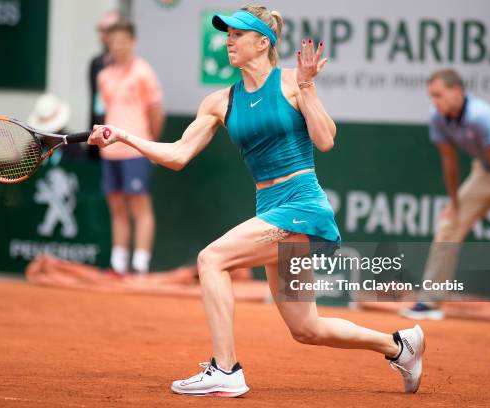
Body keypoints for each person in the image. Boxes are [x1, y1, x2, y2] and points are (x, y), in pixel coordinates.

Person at [89, 4, 425, 397]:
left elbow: (326, 139)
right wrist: (125, 136)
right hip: (269, 209)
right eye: (226, 35)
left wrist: (307, 86)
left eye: (236, 35)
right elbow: (178, 155)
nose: (228, 41)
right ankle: (400, 347)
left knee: (211, 260)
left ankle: (225, 369)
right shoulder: (219, 101)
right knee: (306, 328)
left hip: (301, 205)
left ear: (261, 42)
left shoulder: (290, 83)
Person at [400, 68, 490, 328]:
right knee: (449, 225)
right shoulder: (438, 117)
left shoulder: (480, 116)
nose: (434, 102)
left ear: (457, 92)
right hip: (484, 172)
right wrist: (455, 205)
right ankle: (430, 302)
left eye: (438, 95)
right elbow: (450, 161)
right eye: (431, 97)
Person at [97, 20, 164, 275]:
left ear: (133, 42)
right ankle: (119, 262)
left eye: (122, 41)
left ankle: (140, 264)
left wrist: (150, 145)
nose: (117, 46)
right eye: (113, 41)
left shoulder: (143, 73)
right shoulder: (104, 76)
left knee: (140, 207)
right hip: (109, 151)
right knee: (116, 207)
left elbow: (156, 112)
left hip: (136, 150)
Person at [87, 9, 123, 160]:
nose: (102, 36)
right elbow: (95, 102)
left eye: (106, 31)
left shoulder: (129, 66)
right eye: (100, 30)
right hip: (97, 139)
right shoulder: (95, 63)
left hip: (121, 142)